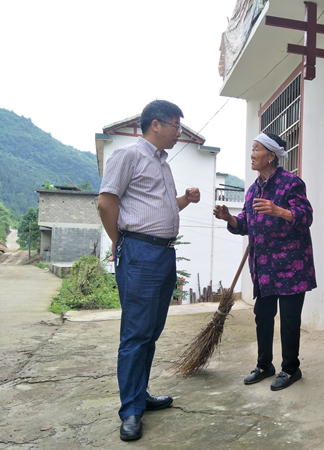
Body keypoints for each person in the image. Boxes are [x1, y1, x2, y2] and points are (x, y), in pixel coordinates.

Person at [98, 100, 200, 441]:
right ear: (155, 124)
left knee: (151, 332)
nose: (178, 133)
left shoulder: (162, 163)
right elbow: (106, 202)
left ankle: (139, 395)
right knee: (136, 333)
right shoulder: (128, 156)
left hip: (163, 253)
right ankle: (130, 410)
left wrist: (185, 199)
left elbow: (162, 207)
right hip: (139, 252)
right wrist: (120, 242)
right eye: (175, 126)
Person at [214, 132, 316, 391]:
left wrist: (278, 211)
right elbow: (245, 224)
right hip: (264, 267)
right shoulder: (252, 190)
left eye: (256, 149)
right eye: (252, 149)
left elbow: (305, 216)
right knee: (263, 315)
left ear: (270, 156)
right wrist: (229, 218)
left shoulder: (291, 183)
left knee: (289, 319)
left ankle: (290, 369)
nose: (252, 154)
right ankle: (264, 365)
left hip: (292, 265)